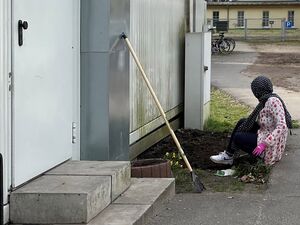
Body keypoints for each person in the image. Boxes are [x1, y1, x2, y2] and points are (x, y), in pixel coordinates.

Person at [210, 75, 292, 166]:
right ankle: (228, 155)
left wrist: (264, 144)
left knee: (238, 137)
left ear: (258, 91)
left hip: (271, 146)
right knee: (243, 122)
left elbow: (282, 126)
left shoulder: (272, 101)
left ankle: (260, 155)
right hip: (265, 132)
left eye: (255, 91)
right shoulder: (266, 100)